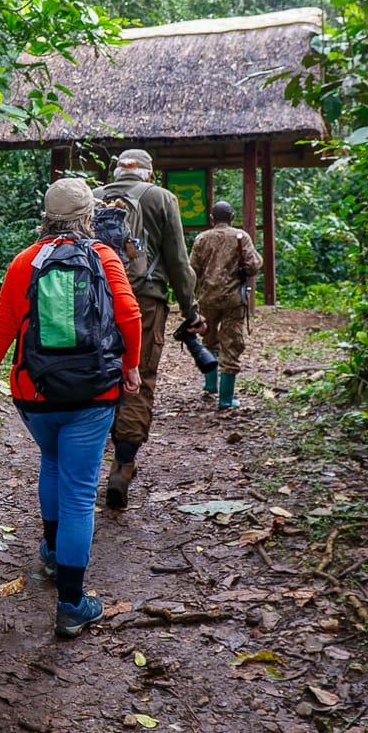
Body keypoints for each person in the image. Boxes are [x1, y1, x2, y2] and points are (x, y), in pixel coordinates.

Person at [0, 178, 142, 637]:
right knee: (80, 493)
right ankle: (71, 603)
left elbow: (4, 323)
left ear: (46, 217)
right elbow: (129, 316)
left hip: (35, 392)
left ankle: (50, 553)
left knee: (51, 461)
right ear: (89, 217)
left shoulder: (25, 260)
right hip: (93, 394)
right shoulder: (105, 258)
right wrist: (131, 367)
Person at [94, 148, 198, 509]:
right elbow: (178, 261)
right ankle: (123, 463)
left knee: (101, 372)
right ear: (148, 174)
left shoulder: (92, 198)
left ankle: (90, 456)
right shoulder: (161, 199)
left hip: (97, 302)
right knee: (140, 375)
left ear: (117, 170)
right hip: (145, 300)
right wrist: (190, 309)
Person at [189, 200, 263, 409]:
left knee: (209, 340)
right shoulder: (241, 237)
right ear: (232, 217)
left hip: (207, 299)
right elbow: (254, 264)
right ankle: (226, 399)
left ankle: (210, 384)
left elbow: (191, 269)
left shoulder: (201, 239)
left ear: (212, 219)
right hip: (233, 300)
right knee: (231, 345)